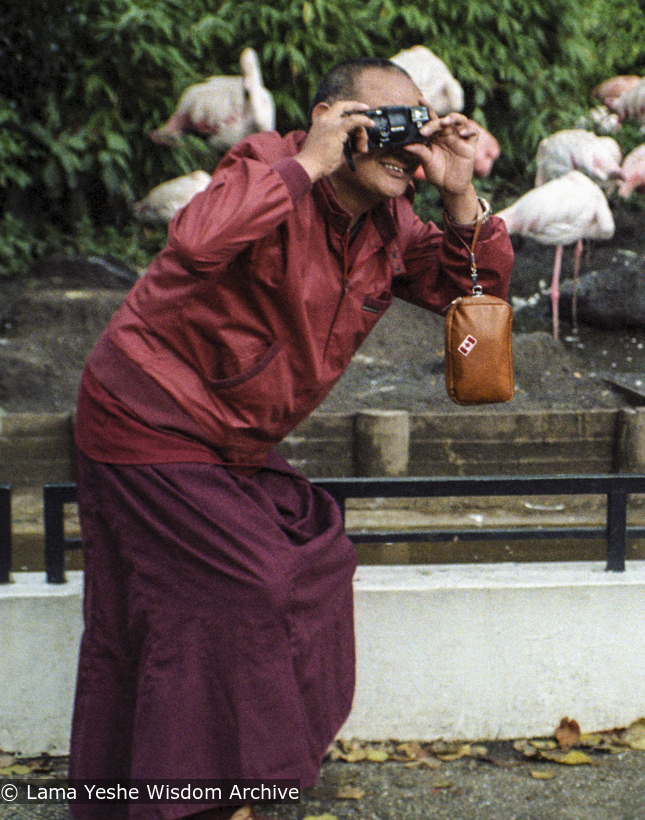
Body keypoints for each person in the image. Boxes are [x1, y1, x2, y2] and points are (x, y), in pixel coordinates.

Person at [68, 56, 514, 820]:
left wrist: (458, 188)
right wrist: (309, 160)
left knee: (313, 562)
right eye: (386, 123)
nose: (405, 145)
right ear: (334, 119)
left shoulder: (389, 224)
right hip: (147, 415)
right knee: (249, 583)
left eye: (418, 127)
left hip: (226, 443)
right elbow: (196, 240)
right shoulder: (266, 166)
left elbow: (471, 298)